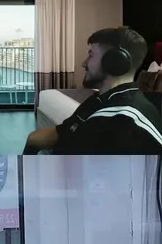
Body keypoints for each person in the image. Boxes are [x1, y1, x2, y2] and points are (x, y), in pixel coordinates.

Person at [25, 27, 162, 155]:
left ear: (114, 61)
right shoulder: (98, 100)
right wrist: (32, 139)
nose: (84, 63)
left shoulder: (125, 121)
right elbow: (64, 132)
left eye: (91, 55)